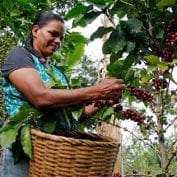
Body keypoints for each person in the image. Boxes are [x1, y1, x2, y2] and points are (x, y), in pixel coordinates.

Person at [0, 11, 125, 177]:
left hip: (55, 156)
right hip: (26, 154)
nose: (58, 41)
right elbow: (40, 98)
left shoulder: (59, 74)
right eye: (53, 33)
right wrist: (97, 91)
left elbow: (71, 118)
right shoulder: (20, 56)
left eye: (62, 38)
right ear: (36, 31)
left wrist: (103, 100)